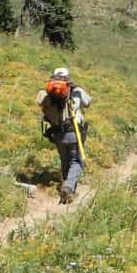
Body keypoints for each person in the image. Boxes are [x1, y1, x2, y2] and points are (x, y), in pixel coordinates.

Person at [36, 67, 92, 203]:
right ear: (68, 78)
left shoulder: (45, 94)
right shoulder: (75, 91)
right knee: (77, 162)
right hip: (75, 132)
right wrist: (76, 87)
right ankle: (68, 187)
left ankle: (68, 190)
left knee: (65, 161)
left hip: (58, 134)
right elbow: (88, 103)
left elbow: (40, 103)